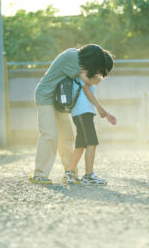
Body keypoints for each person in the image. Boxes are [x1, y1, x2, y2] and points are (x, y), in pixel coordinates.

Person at [29, 44, 116, 184]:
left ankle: (71, 174)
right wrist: (97, 78)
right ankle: (40, 174)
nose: (98, 72)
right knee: (49, 134)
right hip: (45, 96)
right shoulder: (73, 57)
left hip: (58, 100)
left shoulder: (79, 60)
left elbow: (89, 79)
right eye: (99, 69)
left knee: (67, 136)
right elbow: (88, 80)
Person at [63, 52, 116, 185]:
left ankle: (69, 173)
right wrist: (100, 108)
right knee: (92, 142)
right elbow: (86, 88)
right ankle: (88, 176)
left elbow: (93, 85)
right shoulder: (83, 71)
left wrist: (103, 111)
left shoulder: (86, 73)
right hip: (82, 112)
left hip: (83, 112)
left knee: (81, 145)